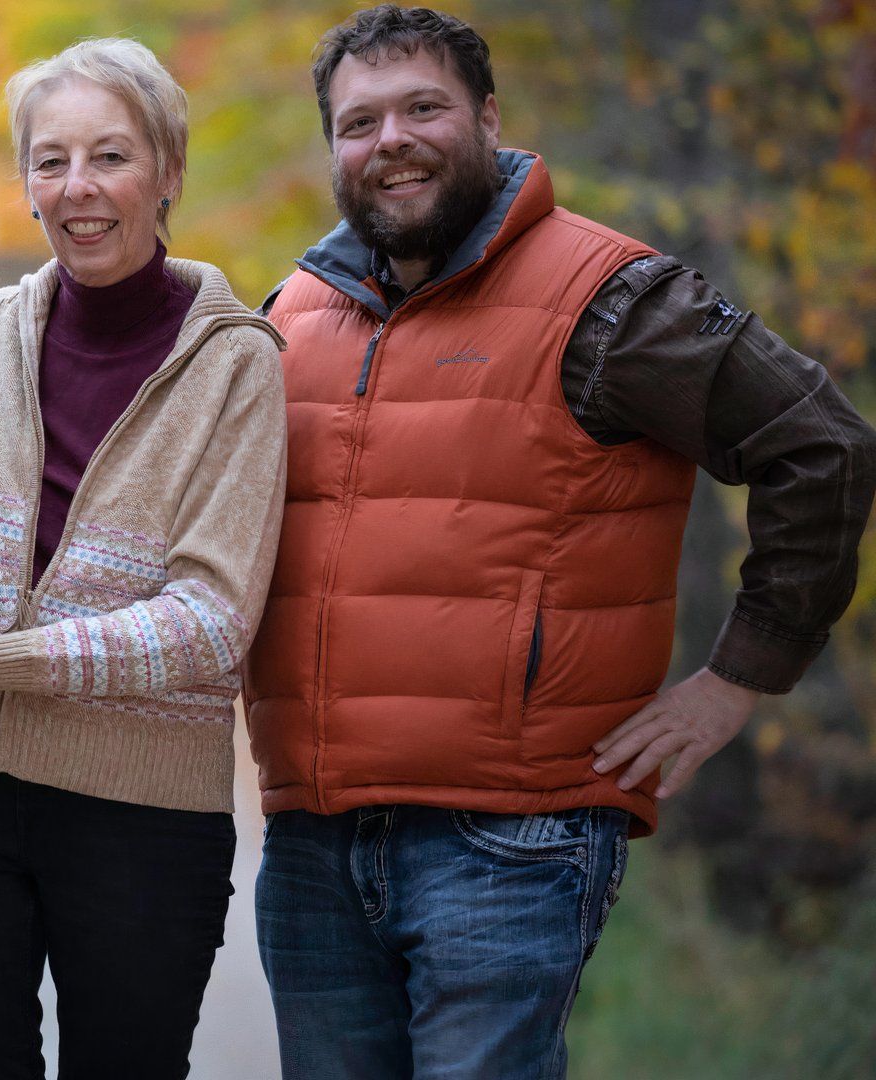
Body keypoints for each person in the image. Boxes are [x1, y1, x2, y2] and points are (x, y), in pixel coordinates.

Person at [244, 6, 876, 1078]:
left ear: (488, 117)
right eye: (359, 122)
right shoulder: (293, 314)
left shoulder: (616, 299)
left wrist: (738, 679)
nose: (389, 138)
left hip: (511, 840)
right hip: (312, 842)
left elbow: (824, 447)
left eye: (422, 108)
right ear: (333, 148)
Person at [0, 38, 288, 1078]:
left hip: (138, 810)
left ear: (169, 174)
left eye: (111, 156)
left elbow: (211, 620)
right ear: (25, 186)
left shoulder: (236, 366)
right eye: (50, 161)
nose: (79, 187)